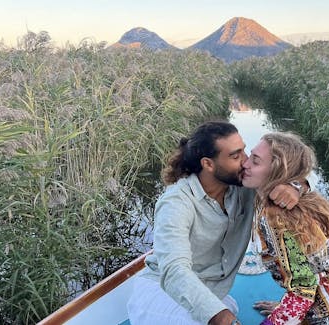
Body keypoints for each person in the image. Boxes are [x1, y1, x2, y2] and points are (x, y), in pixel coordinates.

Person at [127, 121, 310, 325]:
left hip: (213, 293)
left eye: (244, 151)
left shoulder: (245, 186)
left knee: (228, 308)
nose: (246, 162)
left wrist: (295, 187)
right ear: (208, 164)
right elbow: (174, 269)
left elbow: (288, 173)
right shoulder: (176, 202)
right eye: (235, 156)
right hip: (161, 292)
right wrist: (217, 314)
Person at [242, 132, 329, 325]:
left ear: (276, 172)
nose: (245, 164)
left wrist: (277, 318)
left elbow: (302, 292)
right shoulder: (305, 205)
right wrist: (284, 307)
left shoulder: (276, 219)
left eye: (255, 161)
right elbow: (319, 272)